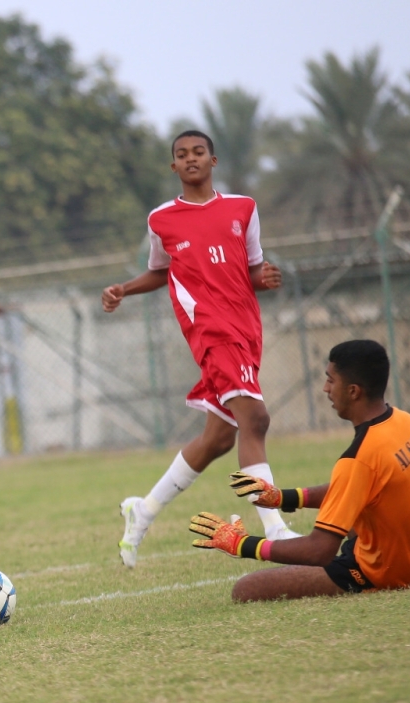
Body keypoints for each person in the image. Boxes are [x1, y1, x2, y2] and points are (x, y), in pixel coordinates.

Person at [102, 129, 297, 569]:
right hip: (210, 333)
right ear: (173, 166)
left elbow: (246, 271)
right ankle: (276, 530)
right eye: (181, 155)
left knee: (218, 439)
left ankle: (143, 509)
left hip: (246, 330)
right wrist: (123, 290)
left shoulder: (243, 209)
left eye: (198, 152)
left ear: (213, 160)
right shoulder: (161, 220)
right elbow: (161, 272)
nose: (190, 159)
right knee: (256, 419)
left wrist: (260, 280)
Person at [189, 339, 410, 602]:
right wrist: (282, 497)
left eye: (330, 380)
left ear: (353, 391)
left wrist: (242, 545)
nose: (325, 388)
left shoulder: (360, 457)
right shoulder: (405, 422)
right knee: (356, 509)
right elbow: (356, 489)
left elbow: (319, 551)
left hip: (385, 572)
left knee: (245, 590)